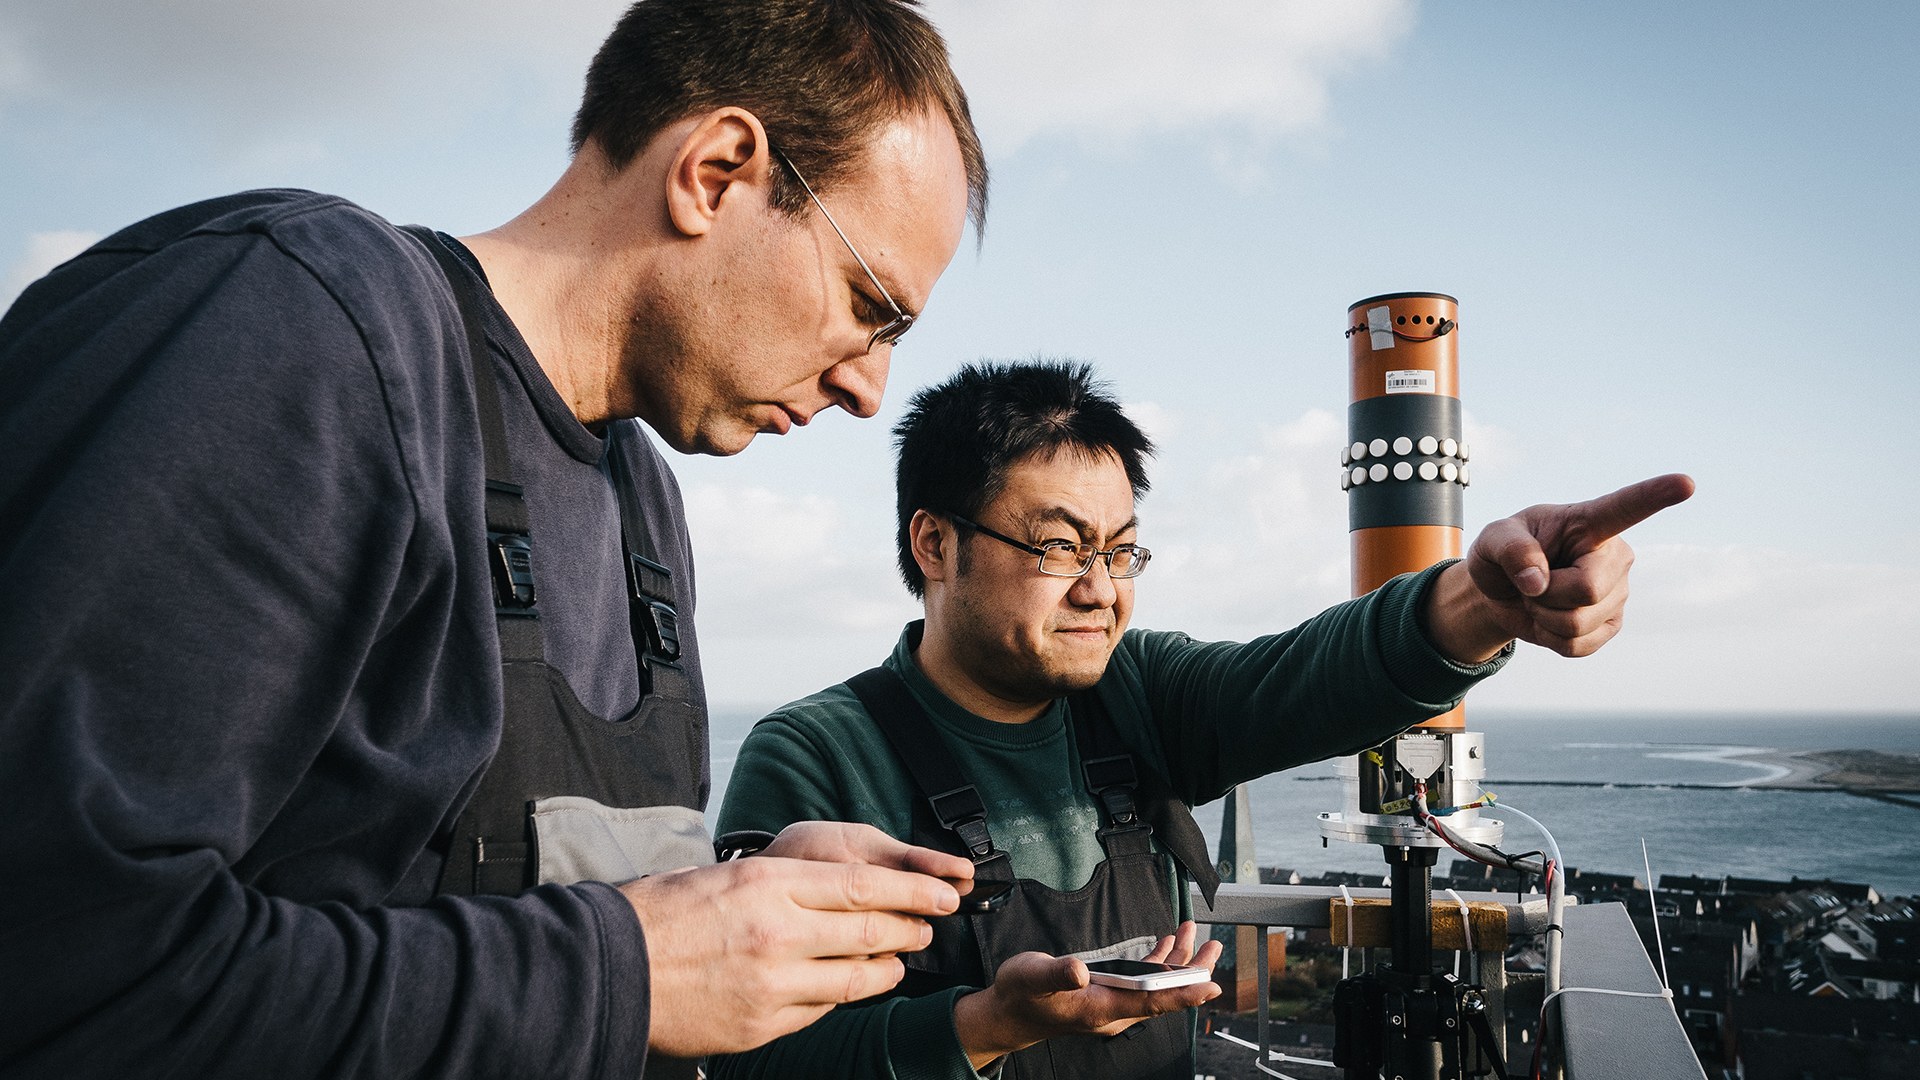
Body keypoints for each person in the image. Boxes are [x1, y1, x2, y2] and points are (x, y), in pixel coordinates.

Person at [0, 2, 993, 1078]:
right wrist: (631, 971)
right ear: (715, 172)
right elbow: (61, 964)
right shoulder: (307, 332)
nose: (867, 386)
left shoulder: (645, 498)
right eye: (868, 303)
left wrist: (735, 892)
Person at [714, 359, 1695, 1079]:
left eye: (1123, 552)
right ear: (935, 543)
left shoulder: (1138, 693)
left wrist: (1483, 603)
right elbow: (759, 1056)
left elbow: (1312, 675)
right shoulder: (816, 758)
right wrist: (985, 1025)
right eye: (1062, 547)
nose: (1102, 591)